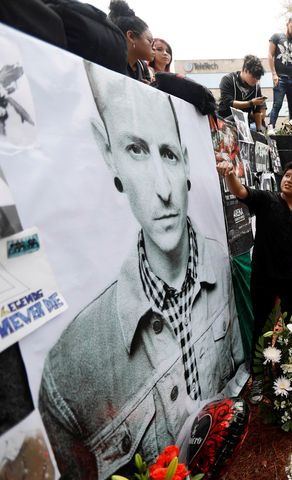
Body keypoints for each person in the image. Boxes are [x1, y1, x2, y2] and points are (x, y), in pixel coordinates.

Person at [38, 63, 245, 479]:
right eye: (136, 150)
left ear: (187, 164)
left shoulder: (220, 265)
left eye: (168, 154)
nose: (163, 189)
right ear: (109, 156)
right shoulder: (67, 372)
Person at [218, 160, 292, 350]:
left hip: (291, 278)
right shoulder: (266, 200)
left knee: (291, 325)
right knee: (262, 326)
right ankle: (259, 373)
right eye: (287, 175)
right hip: (263, 277)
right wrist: (230, 175)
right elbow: (240, 191)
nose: (288, 180)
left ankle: (289, 368)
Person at [268, 16, 292, 131]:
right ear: (287, 24)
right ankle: (270, 129)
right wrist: (274, 74)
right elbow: (270, 55)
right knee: (277, 105)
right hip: (280, 79)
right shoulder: (277, 37)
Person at [217, 55, 267, 131]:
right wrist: (250, 103)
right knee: (237, 117)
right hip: (225, 121)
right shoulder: (228, 80)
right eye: (253, 76)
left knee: (260, 130)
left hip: (243, 125)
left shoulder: (256, 87)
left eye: (258, 78)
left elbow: (257, 112)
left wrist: (259, 130)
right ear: (245, 70)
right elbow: (229, 103)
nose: (256, 80)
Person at [108, 0, 153, 83]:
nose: (153, 47)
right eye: (149, 41)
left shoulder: (142, 67)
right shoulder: (109, 64)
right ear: (131, 36)